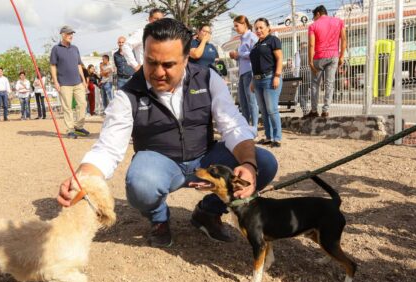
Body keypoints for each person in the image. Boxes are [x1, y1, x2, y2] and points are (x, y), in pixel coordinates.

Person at [57, 18, 278, 248]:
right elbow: (108, 148)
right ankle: (159, 219)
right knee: (140, 184)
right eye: (150, 62)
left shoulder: (207, 77)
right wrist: (81, 179)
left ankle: (209, 211)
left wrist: (249, 165)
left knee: (263, 163)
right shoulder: (128, 94)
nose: (158, 72)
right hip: (160, 164)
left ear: (186, 59)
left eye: (168, 64)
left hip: (205, 157)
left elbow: (232, 125)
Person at [50, 25, 90, 139]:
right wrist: (56, 82)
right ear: (63, 35)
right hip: (64, 83)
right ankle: (70, 129)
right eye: (69, 34)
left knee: (83, 104)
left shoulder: (75, 48)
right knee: (67, 107)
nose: (71, 36)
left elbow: (79, 65)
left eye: (72, 34)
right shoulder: (56, 49)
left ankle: (78, 127)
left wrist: (83, 80)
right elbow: (53, 66)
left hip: (78, 82)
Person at [308, 5, 347, 118]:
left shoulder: (313, 26)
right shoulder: (339, 22)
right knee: (330, 83)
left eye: (314, 16)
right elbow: (344, 39)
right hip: (333, 56)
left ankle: (314, 111)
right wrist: (341, 56)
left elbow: (311, 45)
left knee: (315, 84)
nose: (314, 19)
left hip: (318, 58)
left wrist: (310, 61)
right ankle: (326, 111)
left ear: (318, 14)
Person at [250, 18, 283, 148]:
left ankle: (277, 138)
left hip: (270, 78)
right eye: (256, 28)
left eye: (261, 27)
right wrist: (253, 80)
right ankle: (268, 137)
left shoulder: (273, 40)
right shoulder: (256, 45)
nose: (258, 30)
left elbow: (280, 58)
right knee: (263, 111)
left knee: (272, 109)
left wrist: (277, 76)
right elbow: (255, 65)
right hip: (257, 81)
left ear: (268, 28)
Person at [229, 15, 259, 135]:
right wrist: (236, 56)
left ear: (244, 24)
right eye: (234, 26)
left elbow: (255, 53)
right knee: (243, 101)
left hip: (250, 72)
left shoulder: (252, 37)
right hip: (242, 72)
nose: (235, 28)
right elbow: (244, 56)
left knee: (251, 101)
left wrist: (239, 54)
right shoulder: (242, 38)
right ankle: (246, 126)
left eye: (237, 25)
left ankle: (255, 127)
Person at [294, 41, 311, 116]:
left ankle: (305, 111)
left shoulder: (298, 53)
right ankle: (313, 111)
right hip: (312, 74)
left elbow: (297, 66)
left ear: (300, 46)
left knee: (301, 95)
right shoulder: (311, 51)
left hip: (303, 76)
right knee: (310, 93)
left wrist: (297, 78)